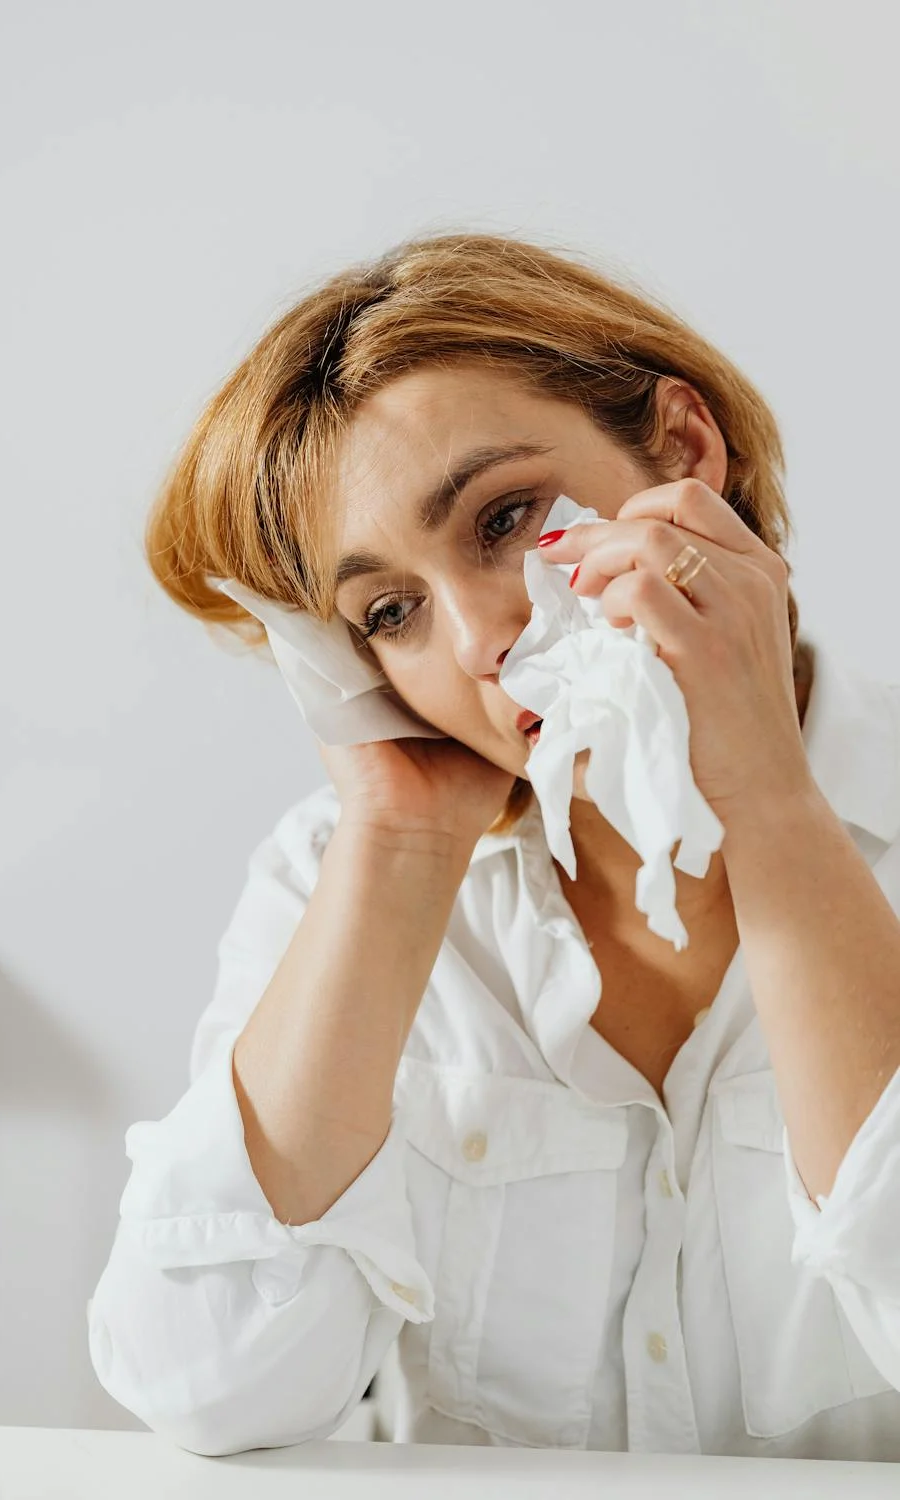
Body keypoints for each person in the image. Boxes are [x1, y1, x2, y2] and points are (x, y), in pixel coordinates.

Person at [87, 232, 900, 1459]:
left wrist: (774, 807)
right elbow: (204, 1388)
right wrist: (400, 849)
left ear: (680, 449)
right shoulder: (333, 880)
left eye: (505, 517)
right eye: (389, 613)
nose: (477, 636)